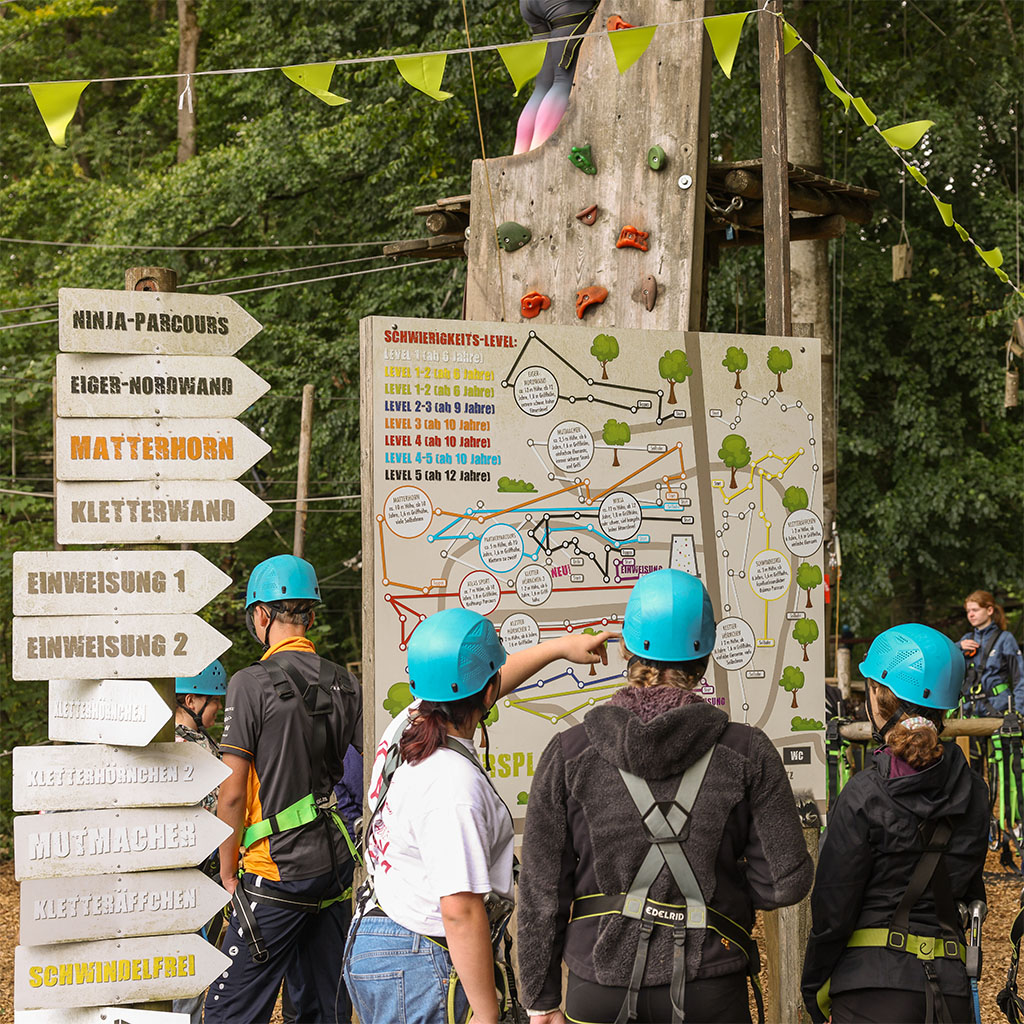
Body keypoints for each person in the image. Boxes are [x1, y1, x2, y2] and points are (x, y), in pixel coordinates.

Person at [517, 568, 814, 1024]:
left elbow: (540, 892)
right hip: (709, 985)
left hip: (598, 986)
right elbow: (785, 881)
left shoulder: (569, 754)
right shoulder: (746, 752)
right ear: (706, 657)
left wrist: (540, 1001)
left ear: (625, 650)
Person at [344, 607, 614, 1024]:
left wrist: (561, 648)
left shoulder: (409, 723)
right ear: (486, 693)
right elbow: (460, 909)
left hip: (381, 936)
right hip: (423, 956)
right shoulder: (452, 785)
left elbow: (482, 683)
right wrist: (488, 1014)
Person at [802, 623, 989, 1024]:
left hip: (873, 991)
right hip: (950, 989)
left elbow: (833, 909)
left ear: (878, 697)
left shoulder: (864, 793)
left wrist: (813, 986)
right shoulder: (974, 790)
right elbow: (969, 885)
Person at [205, 555, 361, 1024]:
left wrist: (229, 873)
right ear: (310, 616)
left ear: (260, 615)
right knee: (322, 1012)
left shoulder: (249, 684)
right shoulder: (345, 681)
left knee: (227, 1012)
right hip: (334, 872)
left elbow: (231, 794)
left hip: (274, 874)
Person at [173, 661, 228, 1024]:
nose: (219, 710)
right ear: (192, 699)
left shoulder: (194, 740)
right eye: (214, 703)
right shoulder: (185, 747)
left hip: (197, 880)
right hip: (192, 880)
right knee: (187, 974)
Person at [514, 0, 598, 154]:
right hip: (562, 6)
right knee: (563, 83)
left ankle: (519, 156)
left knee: (542, 88)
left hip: (529, 5)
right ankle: (535, 158)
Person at [958, 589, 1024, 719]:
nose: (970, 615)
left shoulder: (1005, 639)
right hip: (969, 710)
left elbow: (1019, 676)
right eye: (968, 611)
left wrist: (1019, 711)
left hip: (998, 707)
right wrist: (958, 647)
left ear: (989, 610)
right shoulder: (966, 640)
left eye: (975, 610)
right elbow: (944, 663)